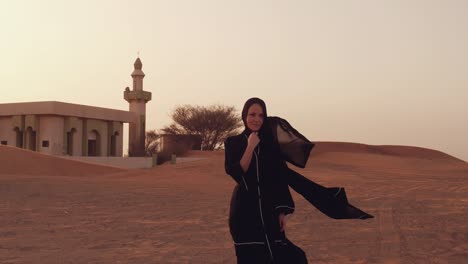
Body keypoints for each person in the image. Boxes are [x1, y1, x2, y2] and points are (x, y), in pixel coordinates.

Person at [224, 97, 308, 264]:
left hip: (269, 211)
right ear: (244, 116)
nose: (257, 119)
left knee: (294, 257)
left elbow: (279, 179)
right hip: (244, 214)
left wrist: (282, 211)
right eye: (252, 114)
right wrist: (250, 147)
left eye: (261, 115)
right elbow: (237, 173)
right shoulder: (233, 142)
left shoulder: (270, 145)